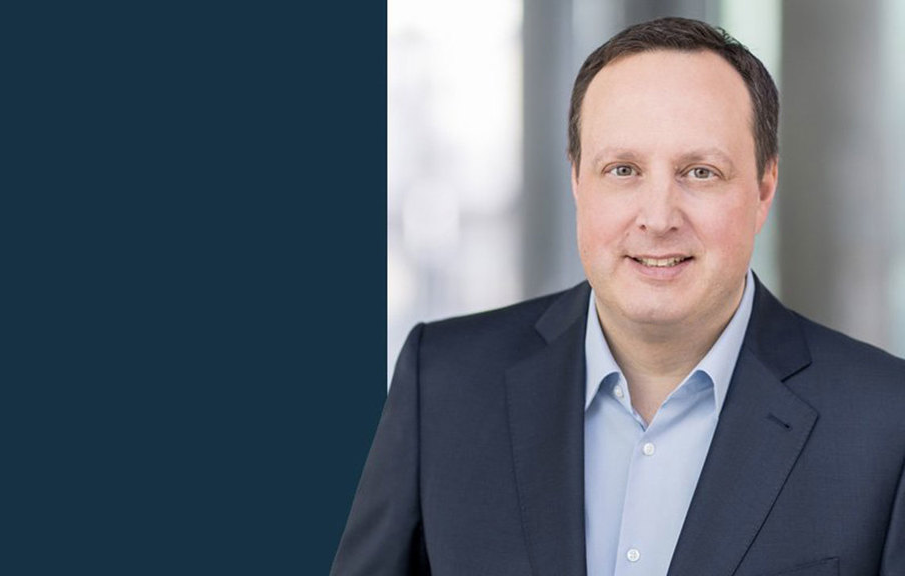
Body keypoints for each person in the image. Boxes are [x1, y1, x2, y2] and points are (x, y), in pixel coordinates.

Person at [333, 17, 905, 576]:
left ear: (763, 190)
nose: (658, 218)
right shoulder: (443, 385)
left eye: (700, 172)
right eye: (623, 169)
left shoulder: (886, 421)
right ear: (577, 181)